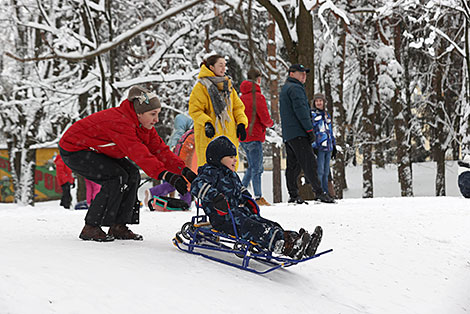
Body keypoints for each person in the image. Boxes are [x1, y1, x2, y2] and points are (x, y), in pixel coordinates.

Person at [59, 85, 197, 242]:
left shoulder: (144, 126)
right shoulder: (121, 123)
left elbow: (160, 151)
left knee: (131, 174)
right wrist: (166, 175)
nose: (156, 119)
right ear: (139, 113)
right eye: (153, 114)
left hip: (97, 149)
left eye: (158, 114)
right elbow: (140, 155)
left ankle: (118, 226)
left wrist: (183, 170)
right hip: (75, 149)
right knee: (115, 178)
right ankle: (90, 227)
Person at [190, 136, 323, 259]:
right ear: (218, 158)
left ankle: (298, 242)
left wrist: (247, 200)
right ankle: (287, 248)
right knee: (255, 228)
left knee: (268, 224)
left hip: (238, 214)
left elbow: (240, 190)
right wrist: (215, 198)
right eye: (231, 157)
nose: (235, 159)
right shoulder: (210, 173)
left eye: (235, 156)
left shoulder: (232, 175)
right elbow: (197, 185)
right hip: (223, 218)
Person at [279, 64, 334, 204]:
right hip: (299, 132)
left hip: (289, 133)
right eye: (301, 73)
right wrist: (309, 130)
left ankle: (293, 194)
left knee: (293, 165)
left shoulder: (286, 88)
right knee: (309, 162)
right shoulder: (296, 89)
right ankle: (319, 192)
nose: (304, 75)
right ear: (292, 74)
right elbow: (302, 111)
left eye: (305, 73)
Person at [189, 54, 248, 169]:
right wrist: (206, 123)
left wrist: (241, 123)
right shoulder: (201, 87)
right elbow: (195, 110)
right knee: (211, 173)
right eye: (220, 65)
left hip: (229, 135)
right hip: (210, 137)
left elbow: (238, 108)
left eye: (225, 65)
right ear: (211, 67)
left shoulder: (228, 87)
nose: (223, 68)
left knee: (229, 174)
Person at [144, 113, 195, 209]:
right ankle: (154, 193)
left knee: (175, 181)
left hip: (170, 160)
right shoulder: (182, 134)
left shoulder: (178, 133)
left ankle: (159, 198)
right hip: (177, 160)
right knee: (181, 182)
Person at [239, 68, 274, 207]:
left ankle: (240, 192)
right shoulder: (257, 97)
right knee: (257, 168)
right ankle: (258, 197)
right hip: (255, 136)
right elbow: (265, 118)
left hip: (243, 137)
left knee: (251, 167)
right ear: (258, 79)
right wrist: (271, 124)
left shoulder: (241, 97)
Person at [311, 93, 337, 196]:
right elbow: (312, 131)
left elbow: (330, 130)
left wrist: (333, 145)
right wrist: (313, 145)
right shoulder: (313, 114)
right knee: (320, 171)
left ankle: (326, 192)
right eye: (317, 101)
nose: (319, 103)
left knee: (326, 171)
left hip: (328, 146)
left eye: (320, 101)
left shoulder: (327, 115)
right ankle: (320, 191)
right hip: (319, 146)